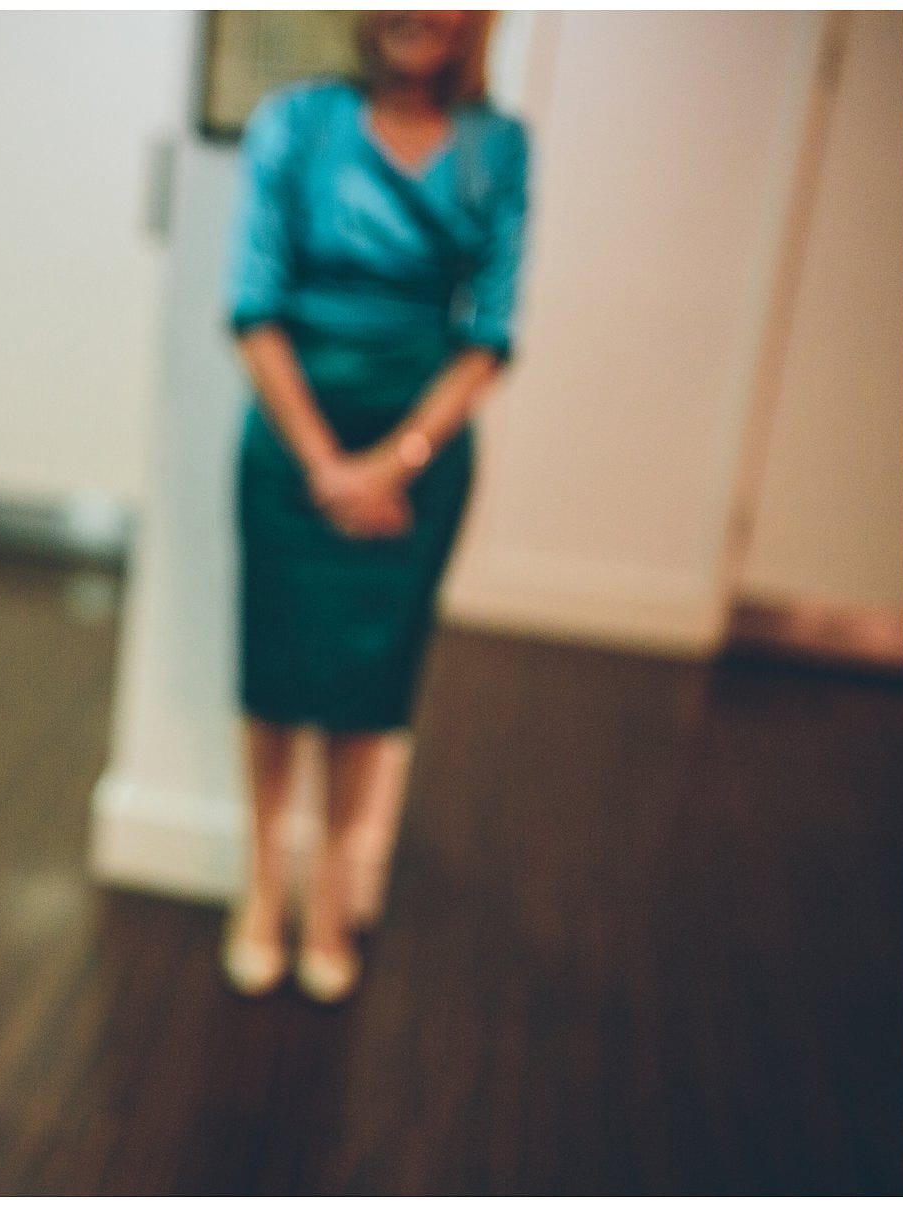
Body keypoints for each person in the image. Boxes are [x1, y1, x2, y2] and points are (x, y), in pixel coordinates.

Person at [224, 11, 529, 1002]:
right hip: (291, 439)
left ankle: (331, 896)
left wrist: (392, 465)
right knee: (274, 681)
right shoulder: (294, 124)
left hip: (421, 446)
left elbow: (490, 329)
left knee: (368, 692)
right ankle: (262, 888)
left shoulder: (499, 146)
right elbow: (253, 302)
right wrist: (325, 463)